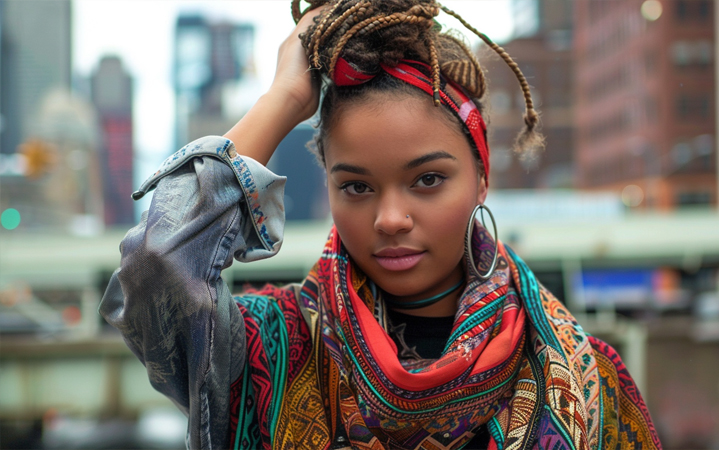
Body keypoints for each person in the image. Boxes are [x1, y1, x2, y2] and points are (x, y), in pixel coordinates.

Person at [100, 1, 662, 449]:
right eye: (358, 187)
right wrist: (287, 96)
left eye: (427, 180)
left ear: (481, 178)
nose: (390, 219)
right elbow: (157, 269)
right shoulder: (266, 352)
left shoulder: (590, 385)